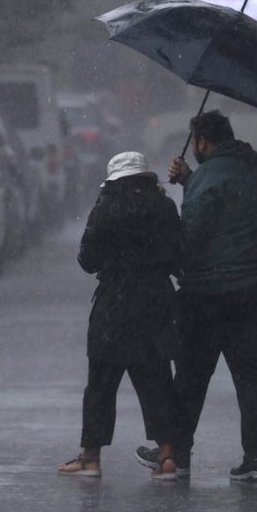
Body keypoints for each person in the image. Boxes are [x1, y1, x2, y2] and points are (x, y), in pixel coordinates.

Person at [135, 110, 257, 482]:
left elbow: (192, 238)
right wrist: (191, 181)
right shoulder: (256, 170)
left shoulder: (209, 178)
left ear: (201, 141)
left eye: (195, 142)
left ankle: (178, 453)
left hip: (210, 295)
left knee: (192, 374)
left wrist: (165, 208)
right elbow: (230, 205)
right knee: (251, 374)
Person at [57, 151, 184, 481]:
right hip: (155, 303)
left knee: (100, 385)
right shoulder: (164, 207)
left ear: (114, 180)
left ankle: (91, 459)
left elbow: (88, 261)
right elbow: (178, 257)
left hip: (114, 305)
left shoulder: (105, 208)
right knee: (157, 380)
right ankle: (168, 457)